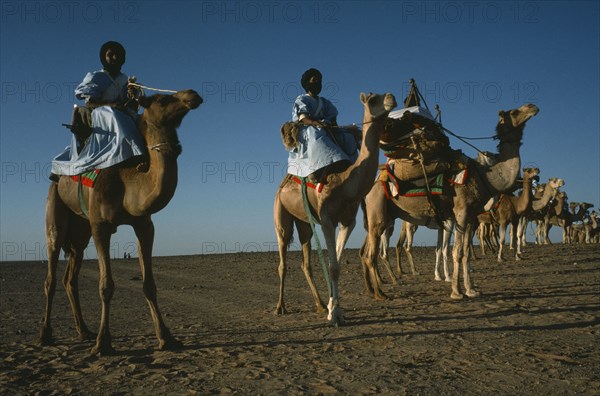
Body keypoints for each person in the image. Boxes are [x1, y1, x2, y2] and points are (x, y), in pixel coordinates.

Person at [50, 41, 145, 179]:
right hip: (101, 112)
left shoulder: (126, 80)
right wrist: (112, 106)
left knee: (143, 120)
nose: (114, 58)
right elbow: (90, 103)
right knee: (113, 115)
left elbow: (132, 105)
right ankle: (128, 155)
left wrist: (133, 97)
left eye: (118, 55)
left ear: (123, 58)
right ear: (103, 58)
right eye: (110, 55)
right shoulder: (97, 77)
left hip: (123, 113)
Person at [287, 68, 359, 181]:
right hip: (309, 129)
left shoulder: (325, 102)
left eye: (319, 81)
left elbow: (333, 119)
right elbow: (304, 119)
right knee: (315, 133)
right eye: (314, 80)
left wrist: (333, 126)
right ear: (307, 83)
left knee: (348, 136)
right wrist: (316, 123)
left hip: (326, 128)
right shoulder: (301, 99)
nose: (318, 84)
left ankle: (352, 165)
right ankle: (317, 167)